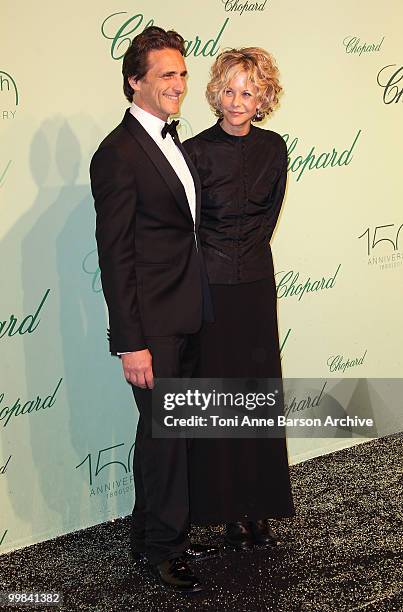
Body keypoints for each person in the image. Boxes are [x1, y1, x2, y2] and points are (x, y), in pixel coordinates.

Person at [90, 26, 216, 594]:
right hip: (152, 325)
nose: (180, 84)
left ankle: (149, 532)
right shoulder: (117, 155)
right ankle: (167, 549)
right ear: (134, 83)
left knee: (162, 432)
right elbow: (115, 257)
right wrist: (130, 340)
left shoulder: (172, 141)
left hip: (187, 312)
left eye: (183, 73)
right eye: (167, 75)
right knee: (166, 433)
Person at [183, 47, 295, 549]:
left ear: (263, 98)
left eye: (247, 92)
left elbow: (267, 221)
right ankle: (226, 508)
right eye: (228, 89)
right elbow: (189, 229)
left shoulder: (275, 149)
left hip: (254, 286)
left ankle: (261, 505)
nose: (236, 100)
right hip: (209, 292)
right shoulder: (194, 151)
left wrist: (244, 260)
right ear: (215, 93)